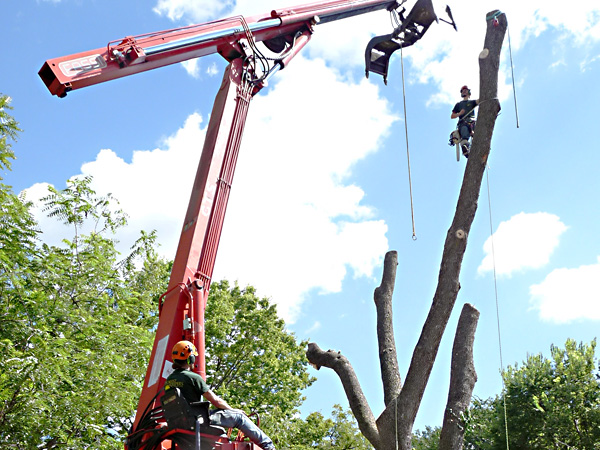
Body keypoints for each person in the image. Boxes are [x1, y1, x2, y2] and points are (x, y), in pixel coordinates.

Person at [164, 340, 277, 450]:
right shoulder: (192, 378)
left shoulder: (169, 381)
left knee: (222, 433)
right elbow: (217, 402)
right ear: (191, 358)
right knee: (239, 417)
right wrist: (233, 411)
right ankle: (268, 446)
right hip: (197, 420)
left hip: (180, 423)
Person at [450, 85, 479, 158]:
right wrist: (459, 113)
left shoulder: (472, 102)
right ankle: (465, 149)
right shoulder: (459, 105)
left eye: (465, 90)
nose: (464, 91)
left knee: (478, 135)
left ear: (469, 93)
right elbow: (452, 116)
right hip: (463, 123)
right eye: (462, 91)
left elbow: (479, 101)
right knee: (465, 136)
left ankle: (472, 149)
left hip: (472, 123)